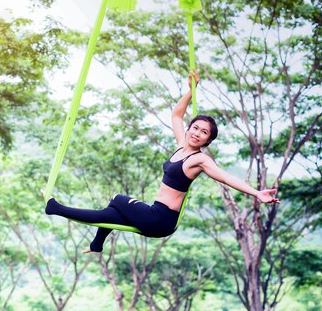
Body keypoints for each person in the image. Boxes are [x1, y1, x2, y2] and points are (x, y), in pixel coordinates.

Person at [44, 70, 280, 253]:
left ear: (208, 140)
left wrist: (256, 193)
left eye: (204, 133)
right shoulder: (180, 145)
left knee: (117, 200)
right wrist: (191, 91)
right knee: (111, 215)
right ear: (189, 129)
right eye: (195, 128)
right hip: (153, 212)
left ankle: (57, 209)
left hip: (162, 219)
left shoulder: (199, 159)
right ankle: (95, 243)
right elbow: (177, 114)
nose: (197, 133)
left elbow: (226, 177)